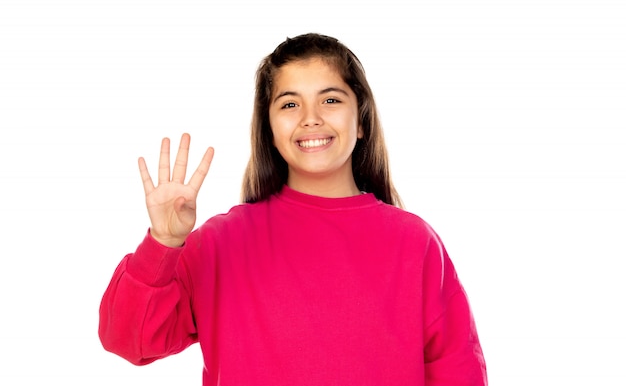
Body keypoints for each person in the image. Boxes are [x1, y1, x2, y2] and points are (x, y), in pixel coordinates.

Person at [99, 33, 488, 385]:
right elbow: (129, 340)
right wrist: (163, 243)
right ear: (269, 128)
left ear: (361, 122)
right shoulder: (220, 243)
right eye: (289, 104)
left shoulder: (414, 243)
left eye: (331, 99)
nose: (311, 118)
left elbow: (460, 374)